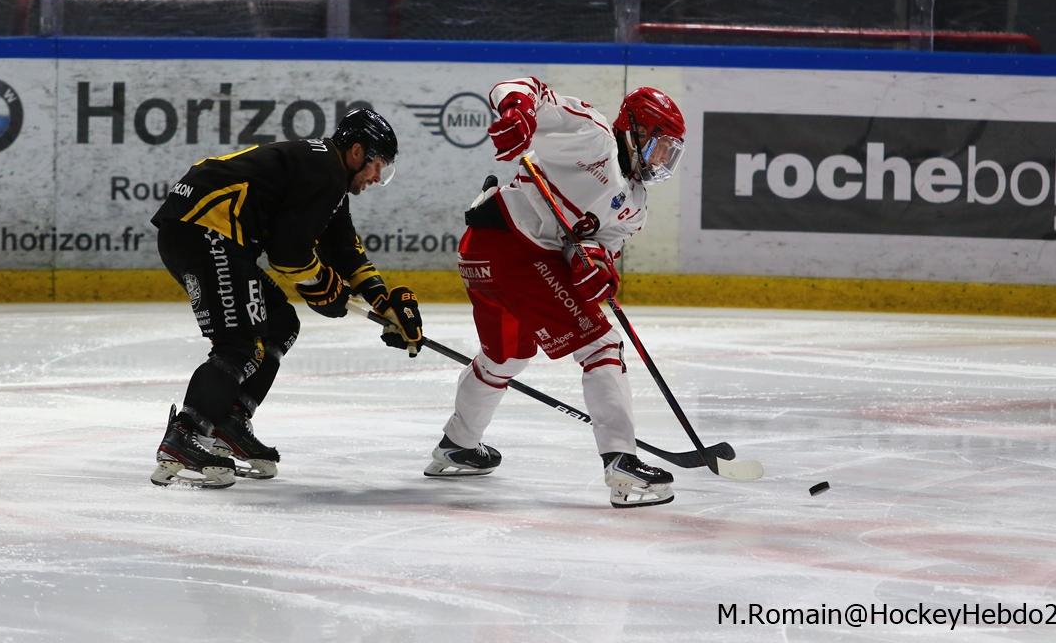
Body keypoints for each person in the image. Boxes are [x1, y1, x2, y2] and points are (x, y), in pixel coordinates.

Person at [426, 76, 687, 508]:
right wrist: (516, 110)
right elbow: (523, 87)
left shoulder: (636, 205)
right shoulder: (591, 135)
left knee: (506, 355)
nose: (661, 160)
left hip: (485, 251)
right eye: (659, 147)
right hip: (512, 247)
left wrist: (595, 264)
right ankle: (621, 462)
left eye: (669, 153)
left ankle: (457, 446)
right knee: (601, 345)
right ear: (637, 130)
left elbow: (598, 250)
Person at [148, 107, 423, 488]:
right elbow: (289, 254)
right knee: (239, 343)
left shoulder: (327, 175)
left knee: (280, 322)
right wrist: (321, 286)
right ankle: (186, 434)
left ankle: (230, 419)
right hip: (205, 231)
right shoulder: (325, 171)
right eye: (378, 166)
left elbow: (343, 248)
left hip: (208, 233)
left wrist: (383, 301)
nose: (377, 177)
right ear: (357, 152)